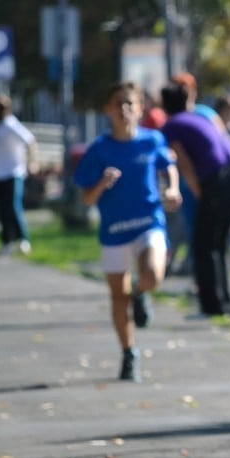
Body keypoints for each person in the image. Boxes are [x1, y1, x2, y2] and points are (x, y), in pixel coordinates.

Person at [73, 82, 181, 382]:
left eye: (129, 104)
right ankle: (129, 352)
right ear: (107, 110)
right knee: (117, 298)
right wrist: (101, 185)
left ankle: (141, 294)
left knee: (152, 275)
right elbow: (86, 199)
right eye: (118, 104)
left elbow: (168, 165)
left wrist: (171, 188)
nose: (124, 110)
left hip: (148, 221)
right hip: (114, 230)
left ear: (140, 109)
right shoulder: (99, 149)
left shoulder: (151, 140)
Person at [161, 80, 230, 317]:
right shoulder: (199, 118)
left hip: (215, 184)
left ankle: (212, 304)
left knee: (203, 246)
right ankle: (225, 301)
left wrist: (200, 193)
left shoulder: (171, 126)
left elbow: (185, 165)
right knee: (217, 245)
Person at [0, 95, 36, 256]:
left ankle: (23, 239)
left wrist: (32, 162)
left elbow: (30, 140)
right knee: (1, 209)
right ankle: (7, 241)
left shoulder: (11, 124)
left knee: (13, 206)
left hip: (14, 172)